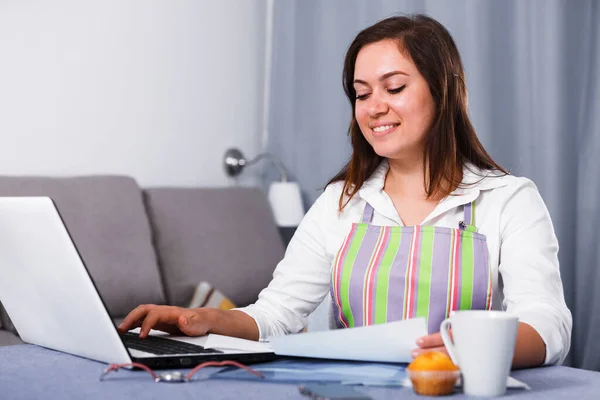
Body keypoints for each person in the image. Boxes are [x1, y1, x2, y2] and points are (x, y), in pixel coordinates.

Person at [118, 14, 572, 368]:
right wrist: (200, 320)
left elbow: (547, 325)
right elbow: (277, 314)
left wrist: (471, 350)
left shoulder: (508, 200)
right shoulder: (342, 202)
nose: (374, 107)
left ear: (444, 92)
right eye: (361, 93)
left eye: (394, 87)